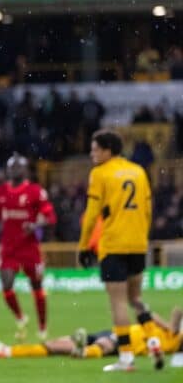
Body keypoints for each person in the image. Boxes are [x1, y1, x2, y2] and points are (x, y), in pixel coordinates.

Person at [78, 130, 157, 372]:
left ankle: (126, 358)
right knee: (136, 299)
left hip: (113, 245)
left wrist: (83, 246)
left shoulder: (100, 173)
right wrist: (140, 236)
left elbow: (91, 215)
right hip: (138, 244)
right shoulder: (139, 171)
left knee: (119, 304)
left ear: (107, 150)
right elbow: (147, 210)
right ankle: (154, 342)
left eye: (95, 149)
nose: (92, 154)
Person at [0, 153, 56, 341]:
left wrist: (35, 225)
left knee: (36, 286)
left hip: (29, 248)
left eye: (18, 167)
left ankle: (42, 328)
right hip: (9, 248)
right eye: (11, 167)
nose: (14, 170)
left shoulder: (35, 191)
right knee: (6, 285)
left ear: (25, 170)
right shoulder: (1, 191)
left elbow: (49, 217)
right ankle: (21, 317)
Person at [0, 306, 182, 360]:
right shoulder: (170, 333)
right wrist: (169, 327)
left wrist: (171, 327)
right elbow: (150, 314)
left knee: (102, 346)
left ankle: (83, 352)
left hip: (123, 343)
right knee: (55, 344)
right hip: (116, 332)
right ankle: (7, 351)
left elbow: (177, 311)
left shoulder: (174, 341)